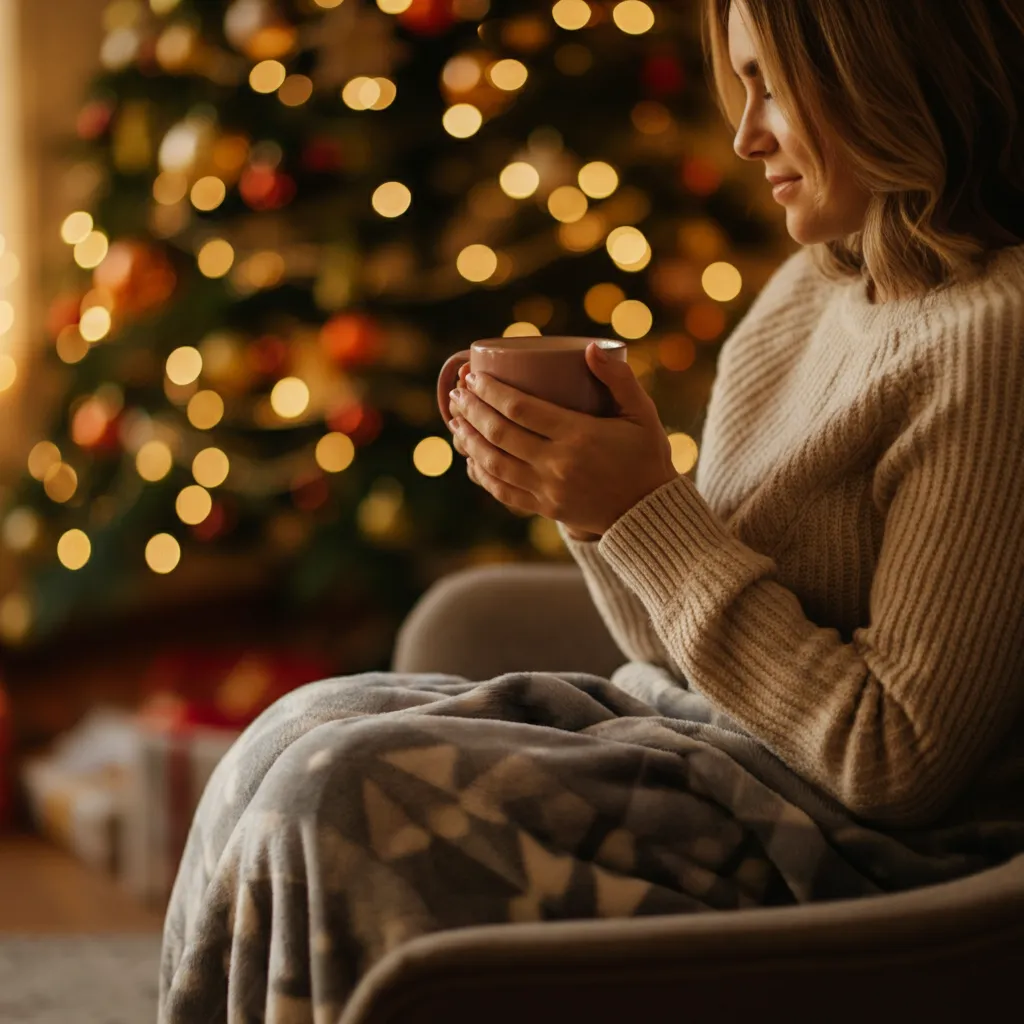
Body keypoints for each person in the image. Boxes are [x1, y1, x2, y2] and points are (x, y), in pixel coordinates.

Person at [159, 2, 1024, 1021]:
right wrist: (598, 513)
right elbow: (674, 652)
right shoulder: (811, 290)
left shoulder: (992, 342)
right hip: (704, 751)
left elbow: (895, 759)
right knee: (291, 729)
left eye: (772, 88)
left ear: (887, 74)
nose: (745, 134)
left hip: (869, 850)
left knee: (334, 790)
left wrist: (648, 512)